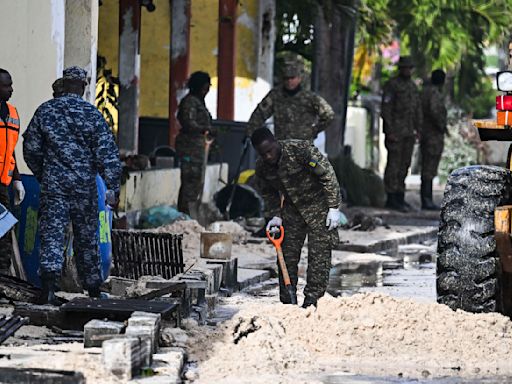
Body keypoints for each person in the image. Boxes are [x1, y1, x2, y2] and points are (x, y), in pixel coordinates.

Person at [23, 66, 122, 304]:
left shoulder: (45, 110)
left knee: (51, 235)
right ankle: (94, 289)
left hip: (54, 185)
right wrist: (112, 188)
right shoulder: (92, 114)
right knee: (87, 236)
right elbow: (108, 155)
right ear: (83, 86)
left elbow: (31, 149)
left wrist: (44, 174)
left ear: (64, 84)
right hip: (83, 186)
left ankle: (48, 290)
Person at [251, 127, 342, 308]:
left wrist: (333, 207)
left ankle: (312, 302)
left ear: (276, 142)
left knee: (319, 257)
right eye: (263, 154)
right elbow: (268, 193)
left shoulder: (300, 150)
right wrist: (275, 216)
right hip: (292, 210)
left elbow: (327, 175)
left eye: (270, 151)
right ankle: (288, 302)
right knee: (286, 256)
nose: (268, 156)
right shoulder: (262, 167)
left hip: (319, 206)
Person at [246, 59, 334, 141]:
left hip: (302, 145)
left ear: (299, 78)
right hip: (282, 145)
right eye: (286, 78)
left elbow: (328, 114)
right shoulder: (275, 95)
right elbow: (260, 114)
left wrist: (314, 130)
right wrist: (250, 134)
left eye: (292, 78)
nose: (289, 81)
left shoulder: (309, 97)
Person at [381, 56, 423, 212]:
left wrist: (418, 129)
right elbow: (386, 109)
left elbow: (417, 109)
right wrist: (389, 131)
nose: (408, 71)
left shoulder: (412, 87)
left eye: (410, 68)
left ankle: (400, 196)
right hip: (396, 132)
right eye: (405, 68)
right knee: (394, 164)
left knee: (404, 165)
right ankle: (391, 197)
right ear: (400, 69)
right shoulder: (392, 86)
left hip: (409, 132)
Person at [176, 71, 215, 214]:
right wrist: (205, 129)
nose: (206, 91)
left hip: (198, 150)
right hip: (189, 149)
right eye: (205, 88)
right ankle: (186, 212)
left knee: (195, 182)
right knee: (190, 181)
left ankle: (189, 212)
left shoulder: (198, 102)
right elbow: (188, 123)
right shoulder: (190, 102)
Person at [0, 68, 25, 275]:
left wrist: (17, 180)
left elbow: (11, 150)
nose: (11, 89)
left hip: (4, 184)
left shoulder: (13, 113)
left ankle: (2, 279)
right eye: (6, 85)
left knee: (4, 233)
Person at [420, 69, 447, 210]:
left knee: (427, 166)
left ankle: (426, 199)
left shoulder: (425, 91)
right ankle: (426, 200)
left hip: (426, 133)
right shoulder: (434, 93)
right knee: (429, 167)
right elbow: (435, 111)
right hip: (432, 134)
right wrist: (441, 125)